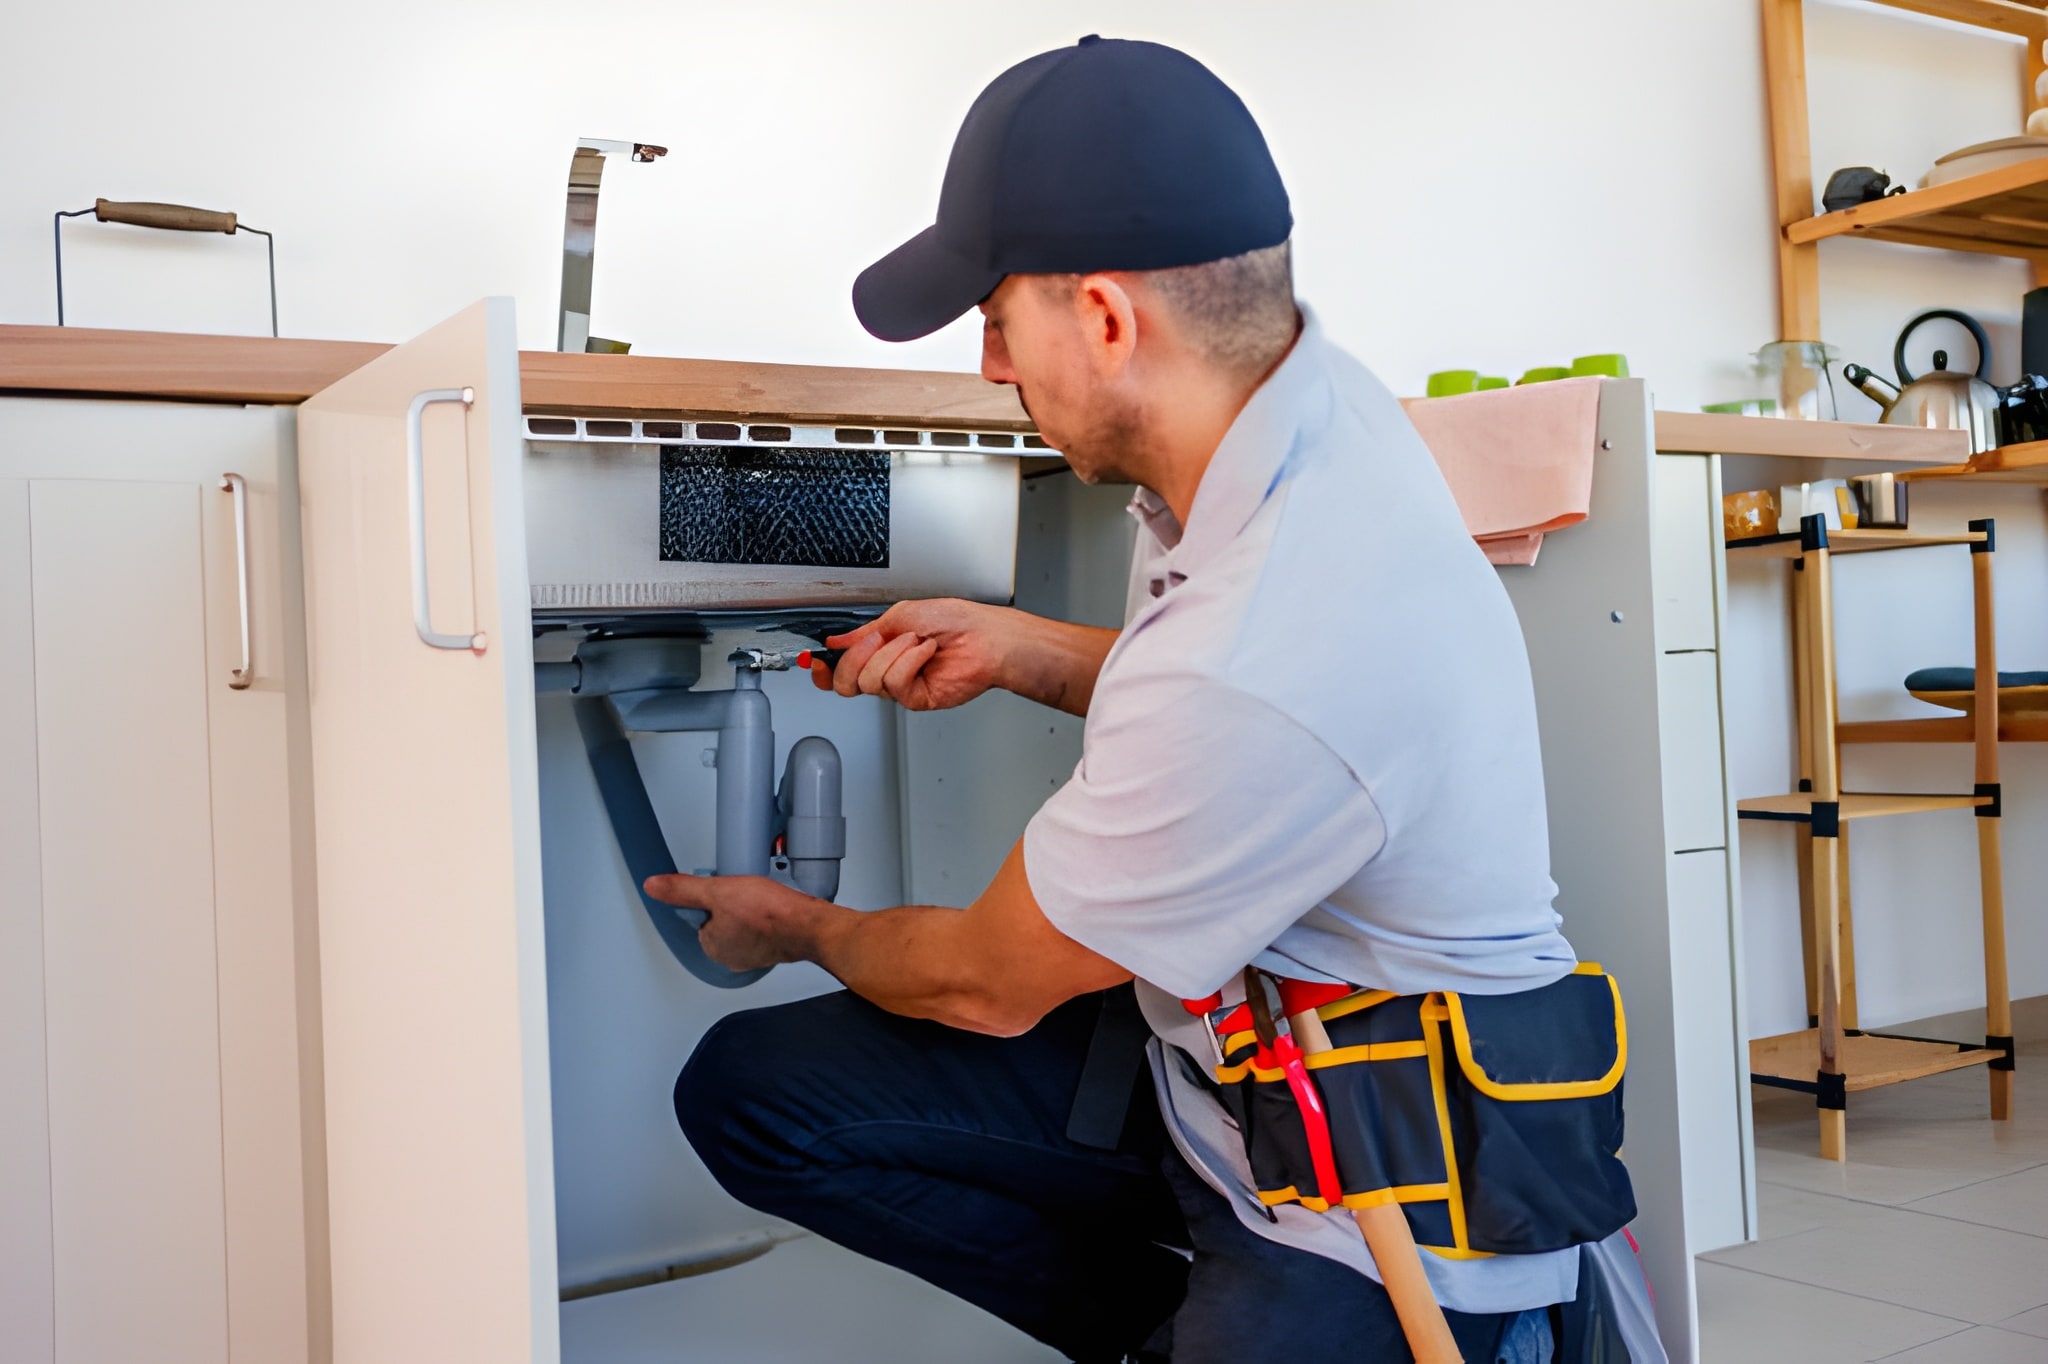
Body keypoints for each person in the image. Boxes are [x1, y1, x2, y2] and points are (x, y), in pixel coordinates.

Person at [647, 36, 1589, 1364]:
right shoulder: (1282, 411)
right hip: (1220, 1064)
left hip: (1379, 1191)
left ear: (1103, 319)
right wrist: (1026, 647)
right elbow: (1229, 715)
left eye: (995, 317)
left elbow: (983, 986)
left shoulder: (1287, 620)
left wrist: (792, 924)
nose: (987, 365)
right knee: (759, 1097)